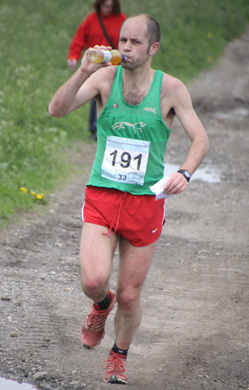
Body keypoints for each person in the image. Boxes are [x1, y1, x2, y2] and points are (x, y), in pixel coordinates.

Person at [49, 14, 209, 385]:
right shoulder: (105, 79)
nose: (125, 48)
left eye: (135, 43)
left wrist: (184, 173)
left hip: (145, 203)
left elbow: (200, 139)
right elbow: (56, 110)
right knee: (94, 280)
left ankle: (119, 356)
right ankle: (99, 307)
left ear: (153, 48)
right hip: (103, 194)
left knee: (131, 295)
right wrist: (83, 72)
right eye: (122, 40)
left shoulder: (171, 89)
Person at [67, 0, 126, 140]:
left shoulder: (122, 20)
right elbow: (79, 38)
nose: (106, 9)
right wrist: (73, 56)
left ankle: (115, 127)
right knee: (95, 96)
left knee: (114, 97)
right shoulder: (92, 19)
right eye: (104, 6)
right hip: (96, 65)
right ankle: (94, 130)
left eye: (109, 7)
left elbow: (126, 43)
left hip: (114, 67)